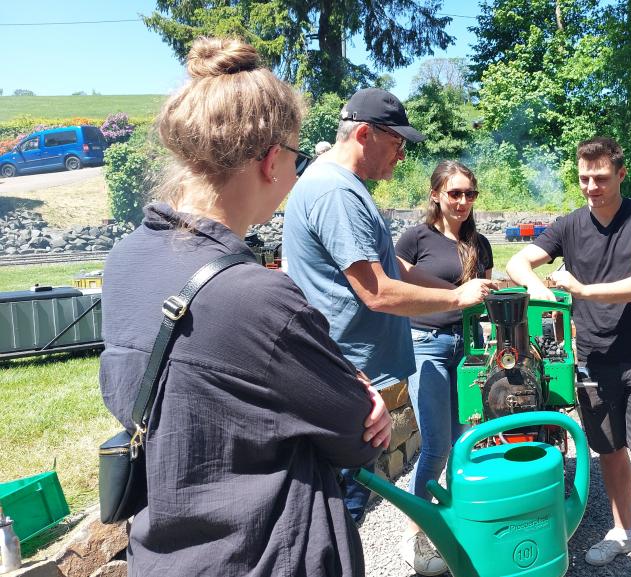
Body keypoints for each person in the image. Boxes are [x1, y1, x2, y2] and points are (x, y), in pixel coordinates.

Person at [99, 37, 391, 577]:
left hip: (162, 552)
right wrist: (363, 401)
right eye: (298, 158)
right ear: (270, 159)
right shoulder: (261, 297)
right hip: (263, 554)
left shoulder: (124, 260)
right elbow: (354, 436)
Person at [282, 88, 497, 526]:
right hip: (342, 374)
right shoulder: (335, 193)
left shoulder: (342, 187)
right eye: (397, 144)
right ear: (364, 133)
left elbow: (390, 271)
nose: (401, 157)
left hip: (351, 374)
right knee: (342, 510)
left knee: (344, 506)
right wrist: (456, 296)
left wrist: (463, 290)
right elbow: (377, 291)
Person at [507, 137, 631, 577]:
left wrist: (582, 290)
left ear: (621, 174)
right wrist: (537, 286)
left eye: (600, 178)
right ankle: (621, 532)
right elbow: (518, 263)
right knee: (609, 450)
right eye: (584, 178)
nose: (591, 187)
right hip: (593, 358)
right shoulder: (569, 225)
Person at [394, 160, 493, 575]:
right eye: (455, 193)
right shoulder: (416, 238)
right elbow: (395, 283)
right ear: (436, 194)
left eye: (470, 194)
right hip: (426, 345)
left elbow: (484, 295)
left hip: (469, 347)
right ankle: (416, 532)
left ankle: (454, 516)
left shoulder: (479, 242)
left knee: (467, 436)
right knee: (436, 443)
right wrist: (454, 294)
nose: (463, 201)